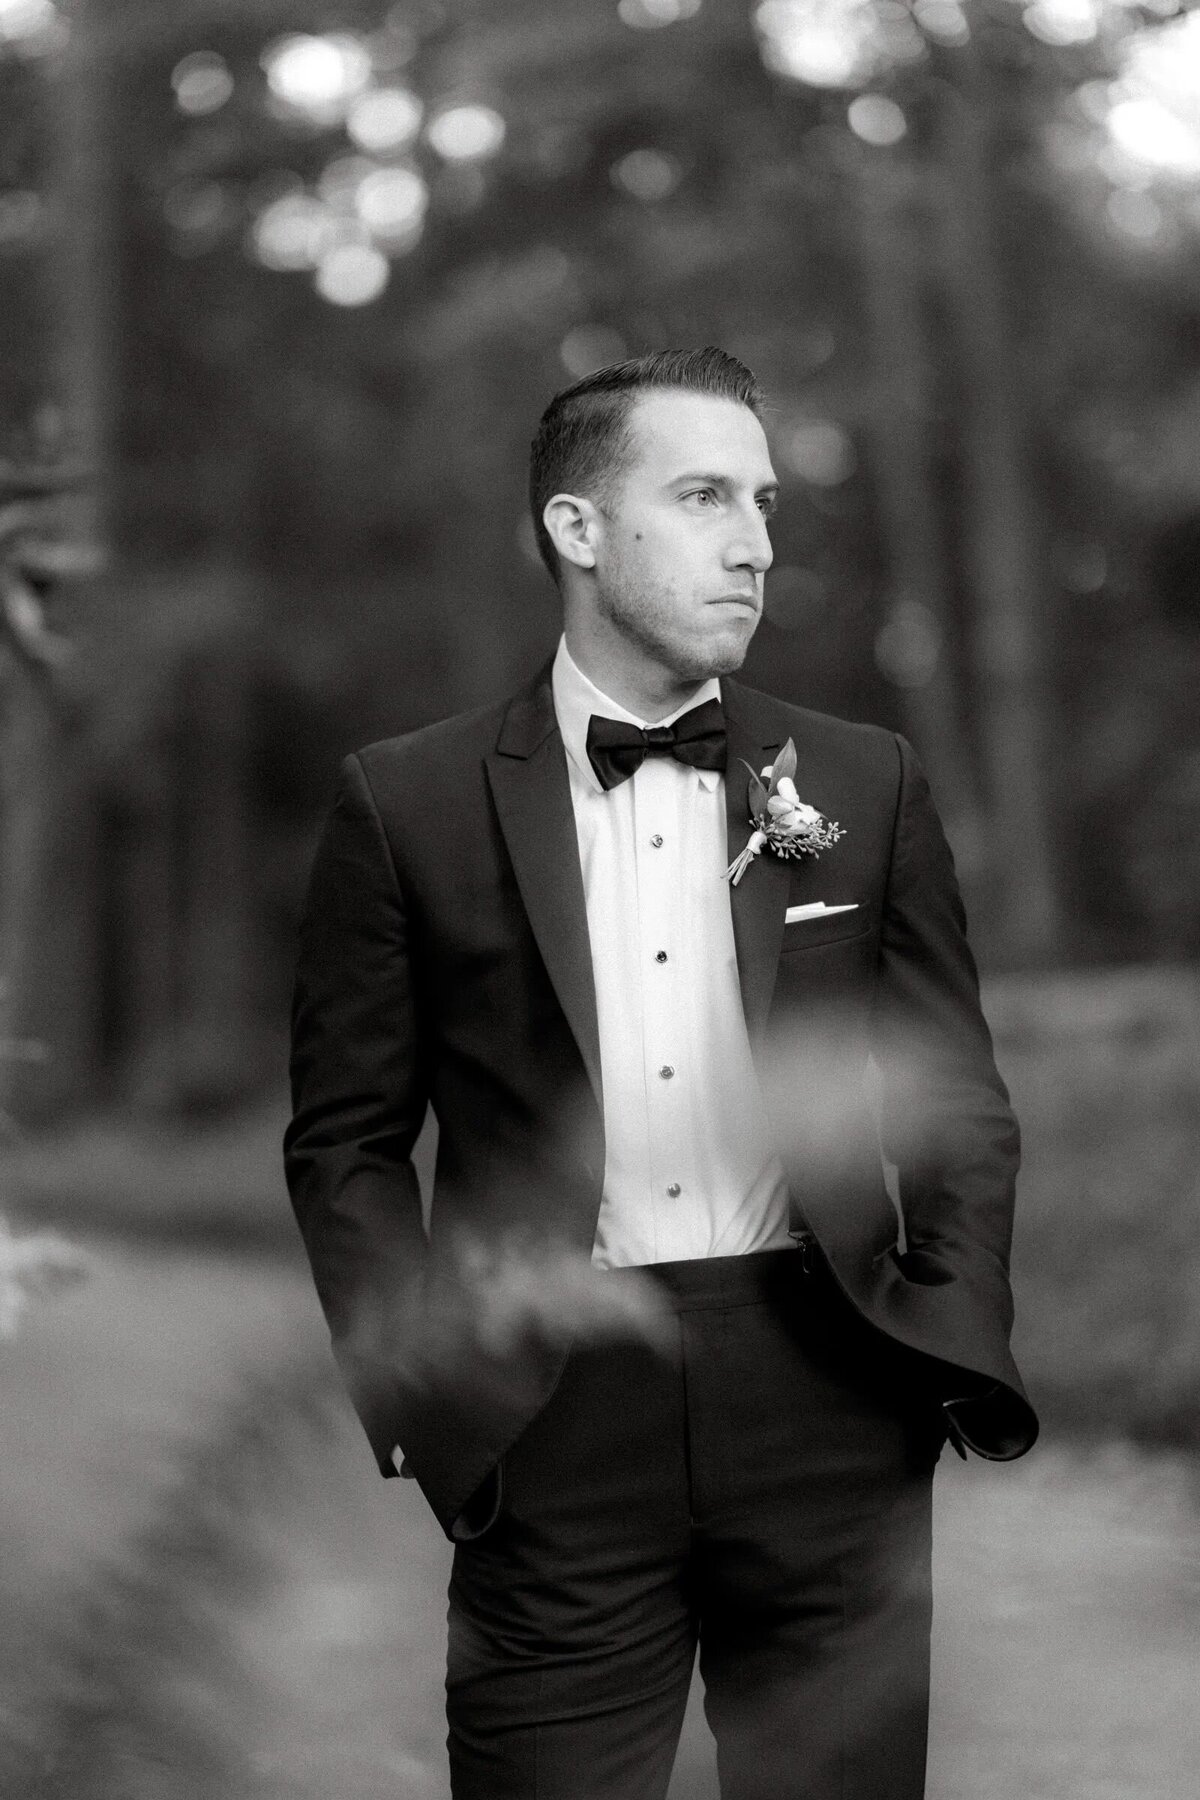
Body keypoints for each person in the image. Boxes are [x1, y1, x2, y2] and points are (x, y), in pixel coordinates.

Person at [284, 346, 1037, 1800]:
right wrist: (431, 1392)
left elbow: (952, 1097)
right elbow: (346, 1142)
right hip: (552, 1414)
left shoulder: (861, 780)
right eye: (701, 497)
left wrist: (945, 1330)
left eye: (761, 503)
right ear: (576, 528)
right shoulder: (407, 802)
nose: (754, 542)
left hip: (831, 1390)